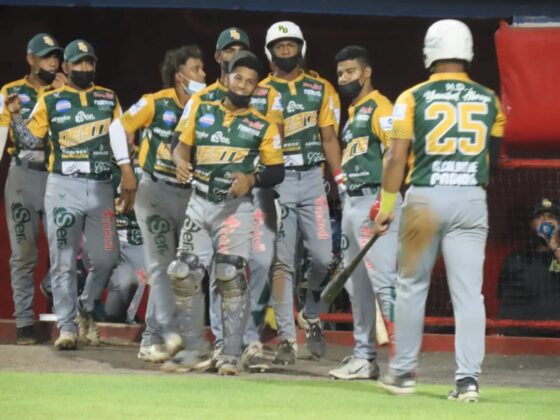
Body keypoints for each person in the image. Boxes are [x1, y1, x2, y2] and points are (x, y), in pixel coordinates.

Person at [373, 20, 506, 401]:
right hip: (471, 199)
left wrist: (386, 206)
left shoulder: (412, 97)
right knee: (469, 295)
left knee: (412, 286)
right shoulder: (489, 99)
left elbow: (396, 157)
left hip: (426, 199)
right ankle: (468, 381)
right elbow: (493, 160)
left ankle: (403, 374)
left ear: (429, 52)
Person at [5, 39, 136, 350]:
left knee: (106, 258)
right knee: (62, 259)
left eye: (89, 62)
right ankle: (66, 327)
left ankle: (85, 305)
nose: (84, 68)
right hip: (63, 186)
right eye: (78, 63)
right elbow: (30, 140)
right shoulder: (51, 99)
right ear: (67, 67)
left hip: (100, 187)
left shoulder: (108, 98)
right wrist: (15, 116)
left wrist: (126, 169)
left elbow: (120, 135)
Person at [166, 51, 284, 375]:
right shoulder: (201, 108)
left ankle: (230, 354)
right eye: (238, 78)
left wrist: (252, 179)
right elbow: (179, 145)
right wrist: (179, 161)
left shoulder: (262, 125)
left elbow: (277, 171)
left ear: (256, 87)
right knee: (182, 273)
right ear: (226, 78)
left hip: (235, 210)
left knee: (230, 276)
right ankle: (194, 349)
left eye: (250, 82)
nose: (243, 85)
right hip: (199, 202)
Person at [109, 45, 207, 362]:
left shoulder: (207, 107)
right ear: (180, 76)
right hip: (155, 193)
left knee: (185, 270)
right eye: (196, 69)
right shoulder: (154, 102)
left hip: (190, 195)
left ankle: (165, 338)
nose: (203, 74)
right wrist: (126, 169)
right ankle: (161, 336)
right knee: (161, 265)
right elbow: (118, 127)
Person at [261, 21, 342, 363]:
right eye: (280, 46)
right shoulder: (260, 91)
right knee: (283, 263)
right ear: (270, 52)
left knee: (324, 257)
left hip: (311, 179)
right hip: (277, 182)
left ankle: (310, 313)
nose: (286, 50)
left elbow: (329, 138)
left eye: (291, 45)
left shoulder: (320, 88)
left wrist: (341, 181)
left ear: (301, 48)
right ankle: (286, 339)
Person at [328, 46, 400, 380]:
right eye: (340, 74)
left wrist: (385, 200)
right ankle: (364, 357)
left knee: (385, 283)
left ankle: (402, 360)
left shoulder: (380, 107)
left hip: (375, 201)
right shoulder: (354, 111)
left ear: (367, 72)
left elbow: (395, 151)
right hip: (353, 203)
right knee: (356, 287)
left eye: (350, 72)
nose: (344, 79)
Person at [0, 33, 66, 345]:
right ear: (30, 59)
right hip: (23, 178)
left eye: (55, 56)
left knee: (65, 249)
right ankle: (25, 322)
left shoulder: (66, 91)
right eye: (46, 56)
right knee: (24, 252)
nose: (53, 62)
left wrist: (68, 92)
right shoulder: (10, 92)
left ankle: (63, 318)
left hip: (57, 177)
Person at [497, 198, 560, 325]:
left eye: (552, 217)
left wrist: (553, 244)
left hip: (556, 330)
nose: (546, 221)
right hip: (521, 330)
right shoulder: (515, 258)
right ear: (533, 225)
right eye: (540, 217)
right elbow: (502, 296)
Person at [103, 150, 146, 324]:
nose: (125, 138)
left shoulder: (145, 162)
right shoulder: (100, 163)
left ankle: (121, 320)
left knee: (129, 283)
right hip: (106, 238)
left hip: (137, 241)